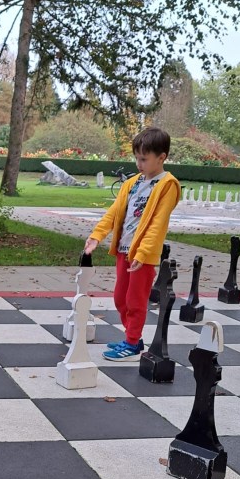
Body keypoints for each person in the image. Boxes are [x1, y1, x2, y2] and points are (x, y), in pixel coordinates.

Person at [83, 127, 181, 361]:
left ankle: (132, 342)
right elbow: (114, 212)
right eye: (137, 158)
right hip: (123, 250)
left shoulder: (167, 185)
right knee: (120, 298)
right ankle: (133, 338)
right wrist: (97, 236)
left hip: (142, 256)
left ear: (162, 157)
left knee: (135, 300)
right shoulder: (132, 183)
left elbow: (157, 223)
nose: (139, 164)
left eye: (144, 159)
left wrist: (144, 252)